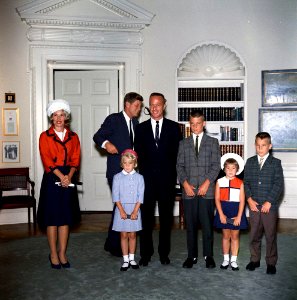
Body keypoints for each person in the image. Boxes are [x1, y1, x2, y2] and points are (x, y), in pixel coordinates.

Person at [134, 92, 182, 266]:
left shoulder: (174, 128)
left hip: (167, 181)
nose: (154, 108)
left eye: (158, 104)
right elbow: (137, 156)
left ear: (164, 105)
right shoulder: (140, 129)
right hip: (146, 182)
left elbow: (178, 156)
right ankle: (145, 254)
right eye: (151, 105)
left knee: (166, 219)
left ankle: (164, 253)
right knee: (146, 219)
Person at [93, 92, 143, 257]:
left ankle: (116, 244)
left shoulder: (136, 123)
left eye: (140, 106)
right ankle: (115, 245)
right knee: (119, 205)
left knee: (123, 207)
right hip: (116, 172)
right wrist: (106, 144)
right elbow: (98, 136)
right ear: (127, 105)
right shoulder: (114, 119)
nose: (139, 109)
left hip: (133, 174)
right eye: (136, 105)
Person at [37, 99, 81, 269]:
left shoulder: (73, 137)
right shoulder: (44, 136)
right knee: (52, 219)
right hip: (52, 178)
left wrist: (68, 176)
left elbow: (76, 159)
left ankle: (62, 252)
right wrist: (61, 176)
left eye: (61, 115)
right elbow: (46, 159)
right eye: (55, 115)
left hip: (68, 178)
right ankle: (53, 253)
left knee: (65, 218)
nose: (58, 118)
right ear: (51, 118)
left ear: (66, 117)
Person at [176, 109, 221, 269]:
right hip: (189, 191)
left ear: (204, 124)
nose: (195, 127)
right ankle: (191, 256)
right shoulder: (183, 143)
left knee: (207, 225)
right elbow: (179, 166)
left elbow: (216, 166)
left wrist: (207, 183)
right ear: (190, 124)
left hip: (206, 191)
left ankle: (209, 256)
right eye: (192, 124)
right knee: (191, 226)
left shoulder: (213, 142)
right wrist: (185, 184)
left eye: (198, 124)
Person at [244, 132, 284, 275]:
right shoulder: (250, 162)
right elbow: (246, 183)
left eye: (263, 146)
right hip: (254, 205)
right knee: (254, 234)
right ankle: (254, 260)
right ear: (255, 145)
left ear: (269, 146)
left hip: (269, 207)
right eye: (258, 146)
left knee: (270, 235)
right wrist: (249, 199)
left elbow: (278, 185)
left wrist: (269, 202)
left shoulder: (276, 163)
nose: (260, 149)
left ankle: (271, 262)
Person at [213, 153, 248, 271]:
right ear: (224, 169)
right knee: (225, 236)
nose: (230, 171)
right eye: (228, 168)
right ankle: (226, 259)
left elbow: (242, 201)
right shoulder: (219, 182)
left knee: (235, 236)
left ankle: (233, 259)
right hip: (224, 211)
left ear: (237, 169)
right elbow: (217, 199)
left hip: (236, 211)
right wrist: (221, 214)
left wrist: (238, 217)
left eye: (233, 168)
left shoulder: (240, 183)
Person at [112, 149, 144, 271]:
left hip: (135, 208)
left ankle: (132, 258)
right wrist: (121, 211)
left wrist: (136, 211)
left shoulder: (140, 178)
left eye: (130, 163)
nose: (127, 166)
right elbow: (115, 196)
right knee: (124, 235)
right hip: (122, 208)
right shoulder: (117, 177)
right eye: (125, 163)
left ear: (134, 163)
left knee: (133, 234)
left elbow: (140, 197)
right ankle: (125, 260)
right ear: (122, 163)